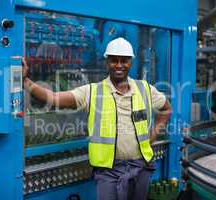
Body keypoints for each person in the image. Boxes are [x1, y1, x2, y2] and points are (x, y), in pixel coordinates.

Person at [23, 37, 172, 200]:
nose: (119, 65)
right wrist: (25, 80)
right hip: (108, 171)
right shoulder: (92, 92)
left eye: (124, 61)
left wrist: (154, 134)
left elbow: (166, 109)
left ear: (131, 62)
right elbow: (52, 97)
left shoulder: (145, 89)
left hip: (140, 166)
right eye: (114, 60)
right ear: (107, 62)